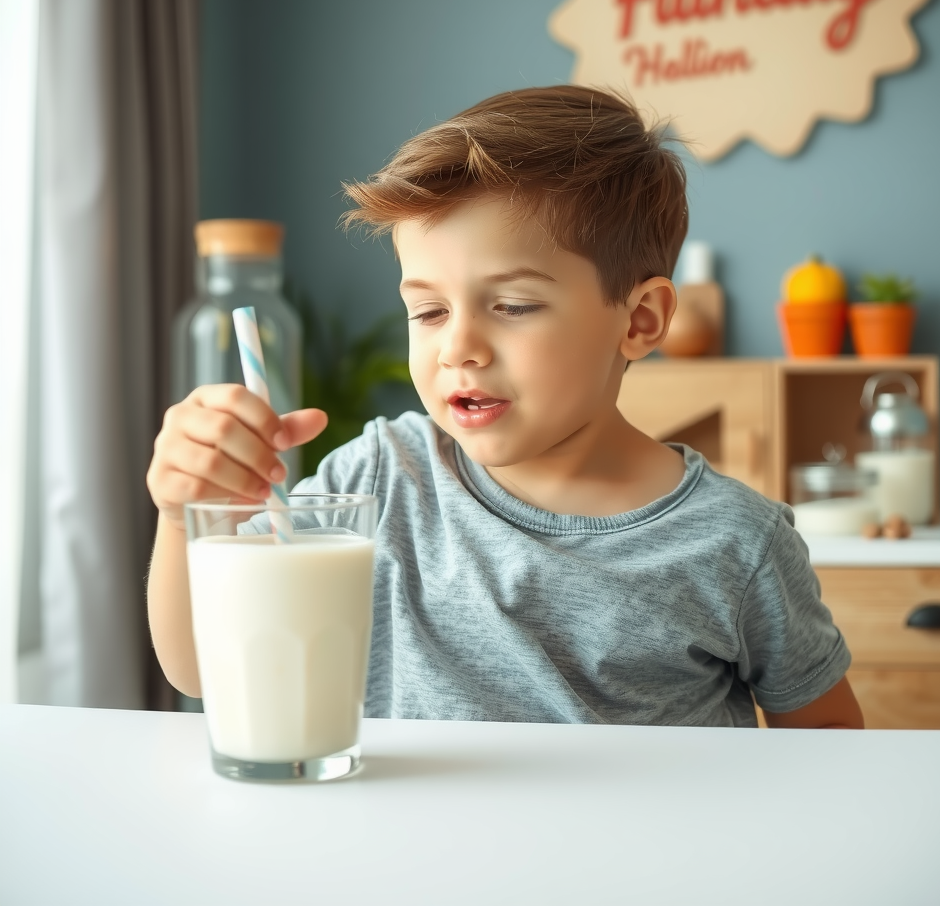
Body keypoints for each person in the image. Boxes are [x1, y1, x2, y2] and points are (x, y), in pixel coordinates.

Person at [147, 85, 863, 728]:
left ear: (640, 321)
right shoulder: (375, 482)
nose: (458, 346)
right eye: (427, 311)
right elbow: (202, 669)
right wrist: (182, 516)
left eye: (514, 305)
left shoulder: (736, 544)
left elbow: (826, 737)